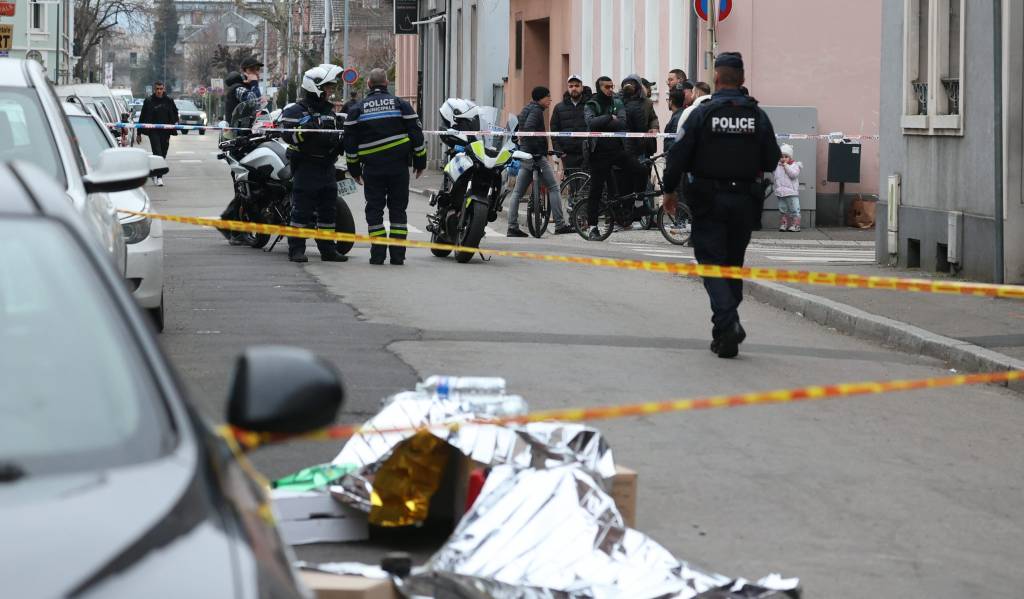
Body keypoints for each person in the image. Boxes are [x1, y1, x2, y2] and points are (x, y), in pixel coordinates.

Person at [662, 52, 781, 359]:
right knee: (732, 265)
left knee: (711, 264)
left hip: (709, 200)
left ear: (716, 78)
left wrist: (669, 190)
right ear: (742, 79)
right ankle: (724, 332)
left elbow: (678, 155)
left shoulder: (702, 114)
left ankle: (728, 322)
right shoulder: (757, 116)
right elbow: (771, 159)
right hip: (745, 202)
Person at [344, 68, 426, 265]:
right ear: (387, 83)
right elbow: (416, 135)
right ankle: (397, 256)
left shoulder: (358, 109)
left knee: (374, 210)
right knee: (398, 210)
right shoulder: (401, 105)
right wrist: (420, 162)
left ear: (369, 84)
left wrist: (354, 170)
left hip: (372, 169)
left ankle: (378, 254)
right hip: (398, 168)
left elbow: (350, 144)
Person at [279, 64, 349, 264]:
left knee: (328, 211)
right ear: (315, 86)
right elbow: (288, 135)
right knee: (301, 211)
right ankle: (296, 250)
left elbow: (336, 136)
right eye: (327, 86)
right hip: (306, 167)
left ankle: (328, 250)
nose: (330, 90)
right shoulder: (296, 110)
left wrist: (343, 137)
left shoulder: (329, 110)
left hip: (327, 167)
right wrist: (309, 128)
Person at [583, 76, 647, 241]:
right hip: (598, 154)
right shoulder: (591, 104)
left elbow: (622, 123)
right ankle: (592, 227)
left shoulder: (617, 102)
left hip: (617, 151)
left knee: (641, 170)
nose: (610, 89)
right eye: (607, 87)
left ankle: (638, 204)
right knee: (596, 191)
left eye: (612, 86)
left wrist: (605, 120)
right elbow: (591, 123)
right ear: (599, 88)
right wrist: (610, 117)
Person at [505, 86, 573, 237]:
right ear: (541, 98)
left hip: (525, 154)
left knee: (517, 192)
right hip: (536, 155)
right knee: (554, 187)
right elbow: (529, 129)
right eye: (548, 96)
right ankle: (560, 224)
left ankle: (512, 227)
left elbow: (518, 127)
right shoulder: (536, 111)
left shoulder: (526, 109)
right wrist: (538, 149)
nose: (550, 99)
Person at [620, 74, 659, 209]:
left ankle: (645, 209)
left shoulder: (647, 103)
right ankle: (631, 209)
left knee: (644, 178)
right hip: (624, 147)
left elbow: (653, 118)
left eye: (633, 84)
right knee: (628, 179)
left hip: (642, 146)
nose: (629, 86)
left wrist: (654, 127)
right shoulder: (619, 102)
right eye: (627, 84)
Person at [138, 81, 178, 186]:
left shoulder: (169, 101)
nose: (159, 91)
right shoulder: (149, 101)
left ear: (163, 89)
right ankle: (159, 177)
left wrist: (174, 123)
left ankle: (154, 172)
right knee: (157, 152)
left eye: (161, 89)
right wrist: (138, 133)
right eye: (157, 89)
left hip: (166, 132)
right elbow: (142, 116)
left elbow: (175, 112)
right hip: (153, 131)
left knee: (163, 153)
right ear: (154, 90)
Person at [550, 74, 591, 175]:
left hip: (587, 152)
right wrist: (559, 150)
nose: (574, 88)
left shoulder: (590, 105)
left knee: (586, 181)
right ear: (568, 88)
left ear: (582, 87)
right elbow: (554, 129)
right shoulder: (559, 107)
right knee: (571, 181)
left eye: (577, 86)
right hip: (567, 153)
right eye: (571, 86)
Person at [774, 144, 803, 232]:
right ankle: (784, 224)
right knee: (782, 209)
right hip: (781, 193)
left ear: (790, 157)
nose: (783, 158)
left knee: (794, 209)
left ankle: (796, 225)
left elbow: (793, 175)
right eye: (781, 156)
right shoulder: (777, 166)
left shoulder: (795, 165)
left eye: (786, 156)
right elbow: (774, 175)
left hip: (791, 192)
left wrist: (786, 166)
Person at [663, 87, 687, 154]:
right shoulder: (682, 114)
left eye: (668, 100)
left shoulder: (677, 118)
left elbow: (674, 141)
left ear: (671, 102)